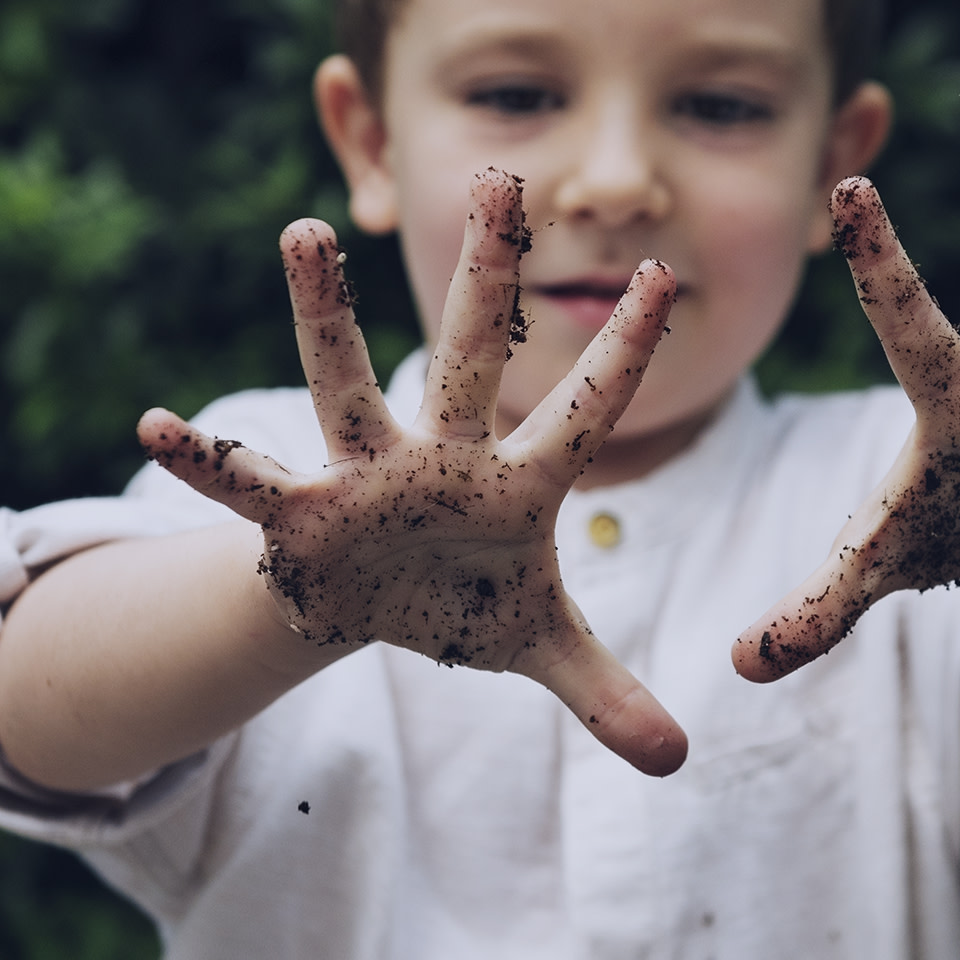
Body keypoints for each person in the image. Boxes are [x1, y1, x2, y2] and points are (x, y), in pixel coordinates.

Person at [0, 0, 958, 956]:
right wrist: (288, 591)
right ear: (371, 142)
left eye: (720, 106)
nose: (617, 181)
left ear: (833, 162)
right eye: (516, 93)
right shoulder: (272, 476)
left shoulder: (909, 496)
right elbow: (26, 705)